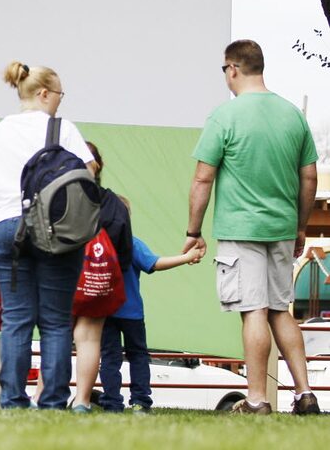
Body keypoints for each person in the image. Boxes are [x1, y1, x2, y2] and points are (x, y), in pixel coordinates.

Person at [185, 39, 319, 415]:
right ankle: (306, 394)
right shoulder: (292, 115)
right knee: (280, 310)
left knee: (254, 312)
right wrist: (300, 226)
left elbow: (202, 178)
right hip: (281, 229)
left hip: (240, 229)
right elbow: (309, 177)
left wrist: (193, 231)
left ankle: (257, 400)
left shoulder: (225, 117)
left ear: (232, 69)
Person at [0, 61, 97, 410]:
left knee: (16, 318)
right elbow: (88, 175)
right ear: (44, 93)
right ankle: (53, 402)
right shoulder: (63, 129)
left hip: (5, 228)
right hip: (56, 230)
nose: (61, 101)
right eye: (59, 94)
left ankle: (13, 401)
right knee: (56, 321)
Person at [98, 196, 202, 414]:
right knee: (138, 356)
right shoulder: (132, 243)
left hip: (104, 311)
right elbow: (154, 264)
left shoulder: (98, 245)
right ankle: (140, 402)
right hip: (132, 312)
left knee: (109, 357)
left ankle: (112, 403)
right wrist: (186, 257)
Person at [70, 142, 133, 413]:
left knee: (58, 337)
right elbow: (125, 251)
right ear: (99, 167)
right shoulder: (115, 205)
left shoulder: (59, 200)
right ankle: (83, 401)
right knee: (89, 339)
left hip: (64, 278)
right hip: (99, 282)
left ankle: (47, 398)